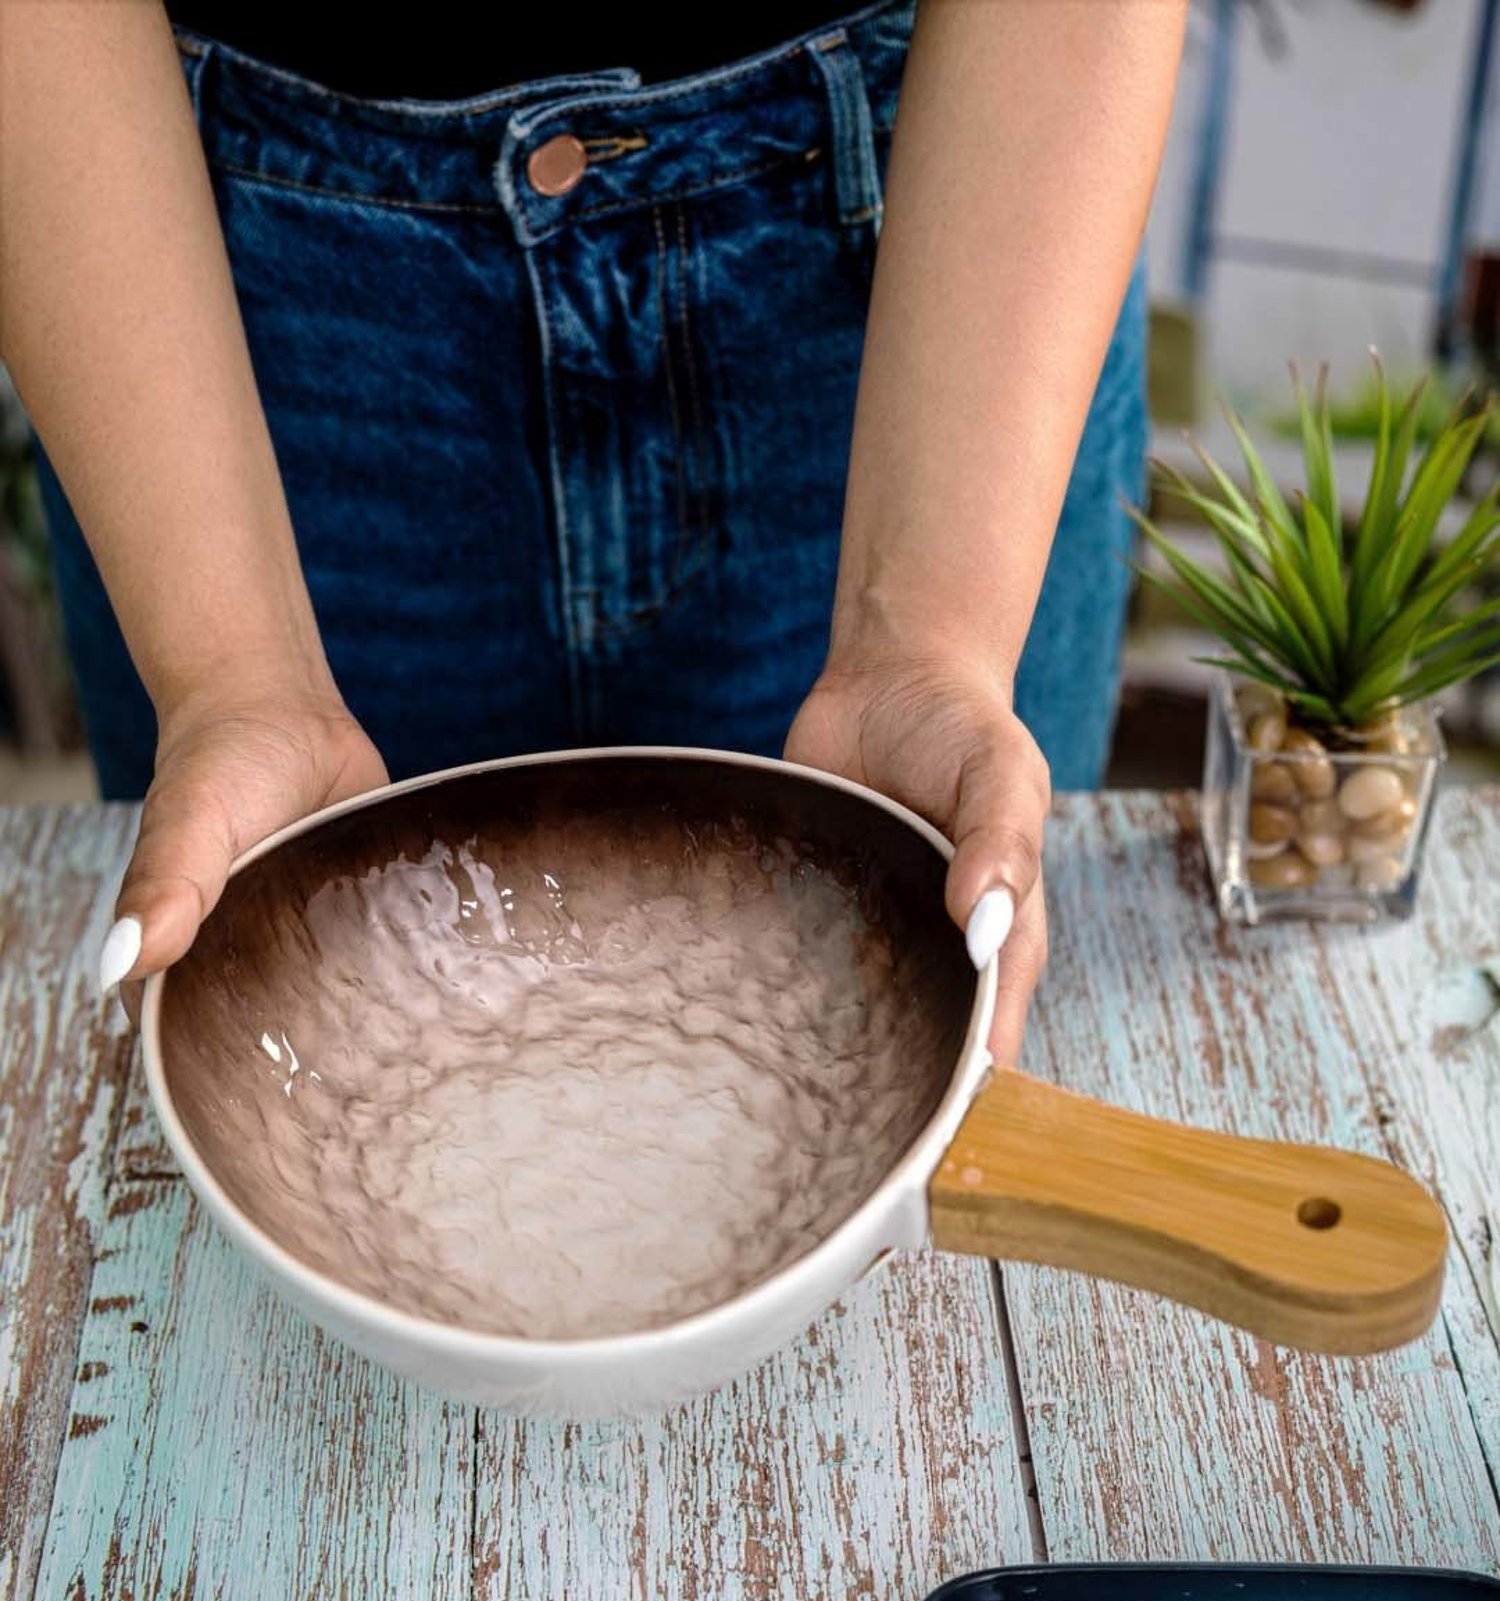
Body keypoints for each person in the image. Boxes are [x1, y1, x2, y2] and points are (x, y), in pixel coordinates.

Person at [0, 0, 1186, 1062]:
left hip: (953, 245)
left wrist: (933, 637)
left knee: (916, 1043)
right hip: (197, 287)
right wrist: (230, 674)